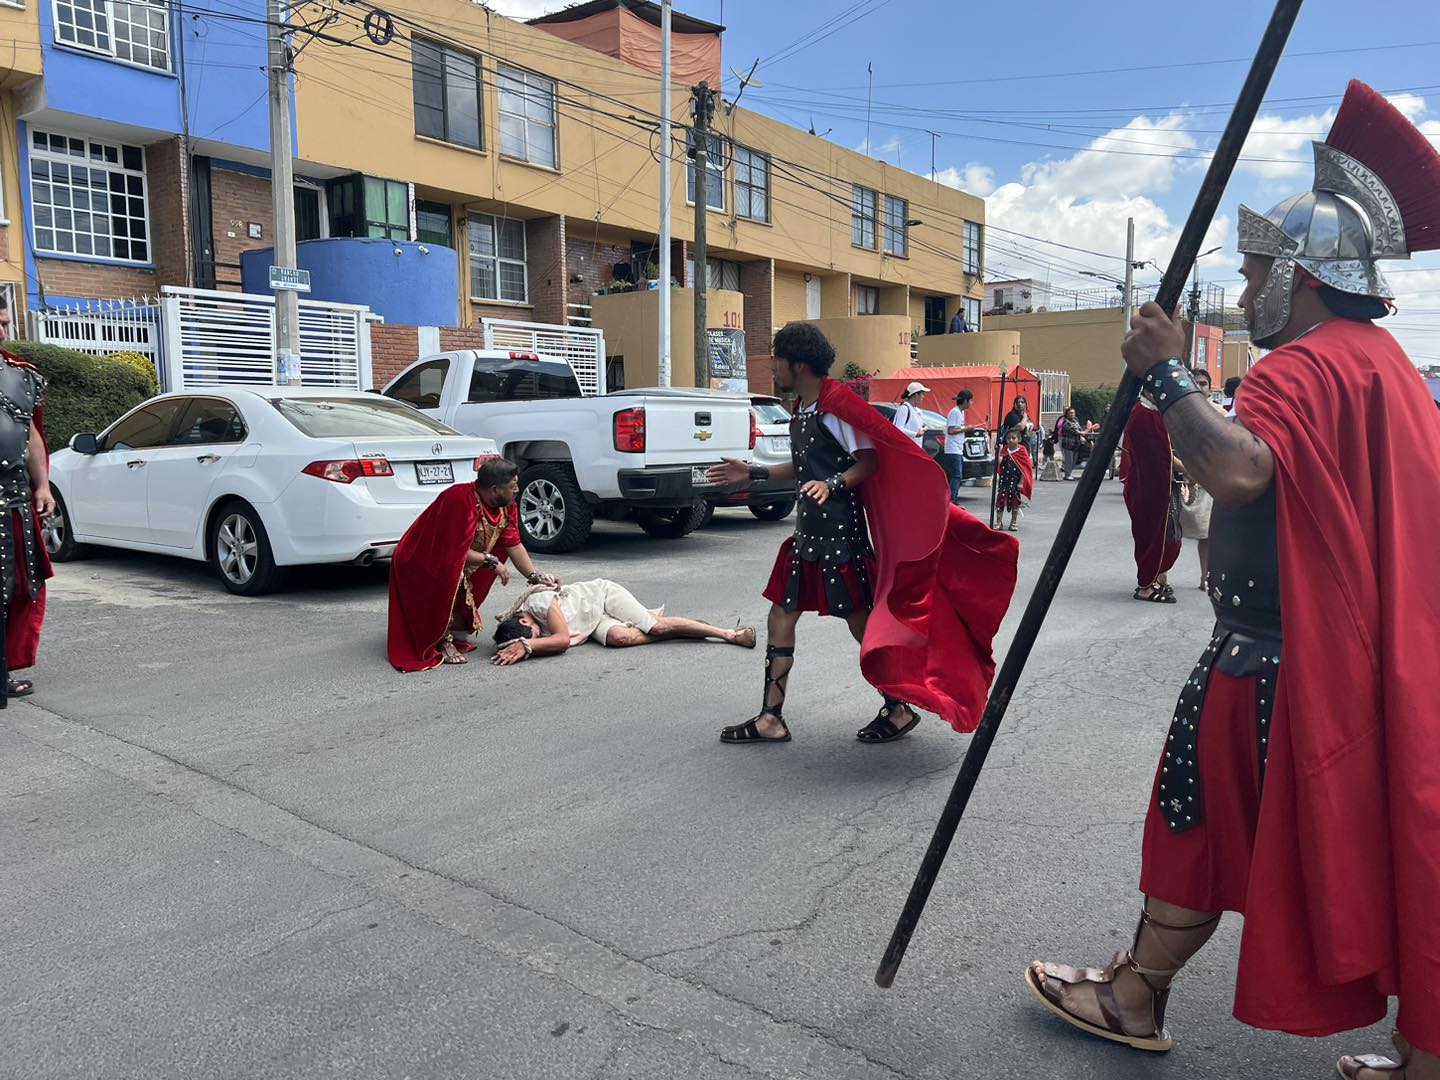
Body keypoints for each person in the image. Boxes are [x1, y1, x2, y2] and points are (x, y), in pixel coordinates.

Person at [1024, 81, 1440, 1080]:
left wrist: (1168, 376)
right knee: (1403, 849)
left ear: (1299, 274)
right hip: (1368, 664)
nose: (1247, 283)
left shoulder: (1299, 366)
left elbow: (1241, 471)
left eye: (1257, 267)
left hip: (1271, 661)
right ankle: (1425, 1055)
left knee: (1194, 820)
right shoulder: (1392, 368)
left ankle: (1131, 997)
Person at [706, 322, 1018, 746]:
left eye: (776, 358)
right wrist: (754, 471)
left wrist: (832, 485)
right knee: (781, 615)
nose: (772, 367)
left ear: (797, 363)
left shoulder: (836, 407)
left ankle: (898, 707)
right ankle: (771, 718)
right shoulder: (804, 408)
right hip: (808, 536)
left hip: (839, 538)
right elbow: (805, 468)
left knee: (865, 628)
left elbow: (868, 462)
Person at [387, 457, 558, 671]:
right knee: (449, 580)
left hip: (457, 559)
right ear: (495, 489)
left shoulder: (506, 506)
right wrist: (490, 560)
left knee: (460, 581)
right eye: (513, 487)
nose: (517, 491)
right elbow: (450, 551)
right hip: (420, 559)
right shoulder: (459, 499)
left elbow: (513, 544)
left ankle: (451, 631)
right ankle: (442, 641)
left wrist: (535, 577)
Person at [489, 579, 755, 664]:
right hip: (592, 620)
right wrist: (526, 643)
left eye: (534, 634)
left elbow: (559, 642)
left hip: (602, 596)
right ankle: (683, 628)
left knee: (657, 627)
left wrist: (528, 646)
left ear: (524, 619)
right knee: (620, 638)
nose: (539, 638)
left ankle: (728, 633)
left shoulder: (538, 605)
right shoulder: (524, 619)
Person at [0, 295, 55, 706]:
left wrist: (43, 486)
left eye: (4, 323)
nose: (3, 332)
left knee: (15, 590)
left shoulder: (22, 376)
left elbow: (30, 433)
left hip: (13, 499)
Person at [1120, 395, 1181, 604]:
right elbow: (1158, 458)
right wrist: (1188, 470)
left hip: (1159, 485)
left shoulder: (1152, 413)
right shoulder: (1145, 415)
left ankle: (1159, 576)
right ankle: (1146, 585)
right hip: (1150, 488)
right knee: (1153, 534)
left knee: (1168, 534)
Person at [1175, 367, 1222, 588]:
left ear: (1210, 389)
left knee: (1208, 533)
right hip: (1181, 480)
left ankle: (1206, 576)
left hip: (1212, 480)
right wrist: (1185, 470)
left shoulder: (1221, 414)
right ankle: (1158, 575)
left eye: (1203, 384)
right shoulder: (1177, 416)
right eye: (1195, 383)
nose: (1200, 387)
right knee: (1171, 529)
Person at [992, 428, 1033, 533]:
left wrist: (1021, 482)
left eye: (1013, 438)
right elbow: (999, 463)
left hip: (1015, 481)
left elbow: (1025, 469)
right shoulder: (1004, 450)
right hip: (1004, 480)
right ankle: (998, 522)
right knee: (1000, 501)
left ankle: (1013, 522)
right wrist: (998, 456)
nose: (1010, 440)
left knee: (1015, 502)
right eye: (1008, 438)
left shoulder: (1022, 451)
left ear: (1019, 439)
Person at [942, 390, 976, 503]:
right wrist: (967, 428)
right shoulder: (955, 412)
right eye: (971, 400)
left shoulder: (961, 412)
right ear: (965, 401)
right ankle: (952, 498)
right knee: (957, 475)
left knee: (957, 475)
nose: (972, 403)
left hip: (958, 448)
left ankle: (951, 497)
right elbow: (951, 430)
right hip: (952, 449)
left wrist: (966, 428)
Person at [1053, 405, 1086, 480]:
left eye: (1073, 413)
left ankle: (1069, 473)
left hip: (1076, 444)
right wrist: (1082, 433)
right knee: (1069, 460)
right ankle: (1067, 474)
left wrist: (1083, 432)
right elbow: (1074, 431)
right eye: (1070, 413)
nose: (1072, 414)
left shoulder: (1075, 421)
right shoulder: (1066, 423)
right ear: (1067, 414)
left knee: (1074, 461)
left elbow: (1079, 428)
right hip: (1068, 444)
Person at [892, 382, 929, 446]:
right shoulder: (904, 408)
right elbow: (898, 429)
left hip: (915, 449)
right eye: (922, 394)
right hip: (906, 449)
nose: (923, 397)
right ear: (916, 394)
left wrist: (923, 428)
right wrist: (915, 434)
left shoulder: (916, 410)